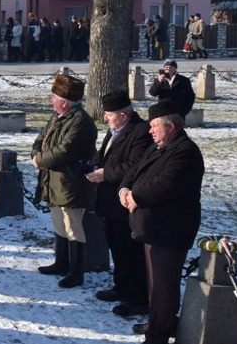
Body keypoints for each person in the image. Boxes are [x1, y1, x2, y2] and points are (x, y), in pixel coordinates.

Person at [119, 101, 204, 344]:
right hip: (153, 227)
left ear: (173, 126)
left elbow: (164, 184)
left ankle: (158, 337)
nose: (150, 131)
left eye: (155, 126)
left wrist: (136, 197)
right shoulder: (160, 147)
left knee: (164, 286)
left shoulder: (185, 152)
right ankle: (159, 322)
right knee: (155, 283)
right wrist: (125, 188)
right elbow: (134, 171)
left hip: (170, 229)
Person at [85, 90, 153, 317]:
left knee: (130, 251)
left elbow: (135, 165)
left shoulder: (141, 132)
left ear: (123, 115)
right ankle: (121, 287)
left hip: (125, 203)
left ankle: (137, 297)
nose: (105, 118)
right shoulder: (115, 130)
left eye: (109, 114)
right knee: (116, 247)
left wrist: (105, 173)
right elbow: (103, 156)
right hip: (108, 202)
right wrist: (93, 166)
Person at [31, 74, 97, 288]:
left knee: (73, 226)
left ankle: (77, 271)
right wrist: (36, 155)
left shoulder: (81, 121)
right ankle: (61, 262)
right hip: (55, 181)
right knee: (59, 222)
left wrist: (40, 160)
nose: (51, 100)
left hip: (71, 183)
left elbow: (65, 151)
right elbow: (41, 139)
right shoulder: (57, 117)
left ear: (64, 101)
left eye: (54, 97)